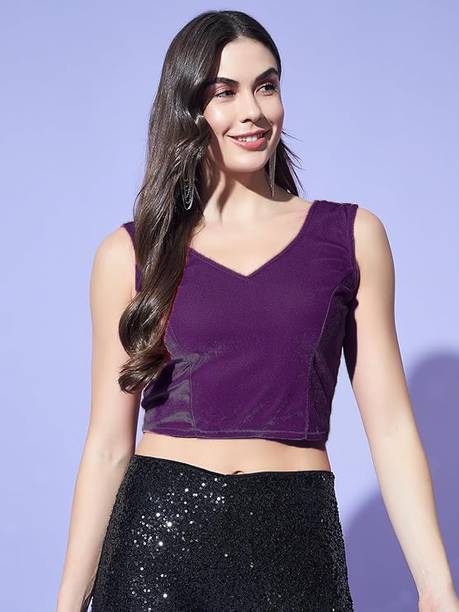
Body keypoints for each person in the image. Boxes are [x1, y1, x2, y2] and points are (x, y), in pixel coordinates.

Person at [57, 10, 459, 612]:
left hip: (295, 540)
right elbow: (108, 446)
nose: (253, 110)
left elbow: (392, 428)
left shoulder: (350, 237)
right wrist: (68, 601)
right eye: (225, 93)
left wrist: (437, 587)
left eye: (266, 86)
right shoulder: (131, 253)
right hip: (159, 542)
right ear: (188, 109)